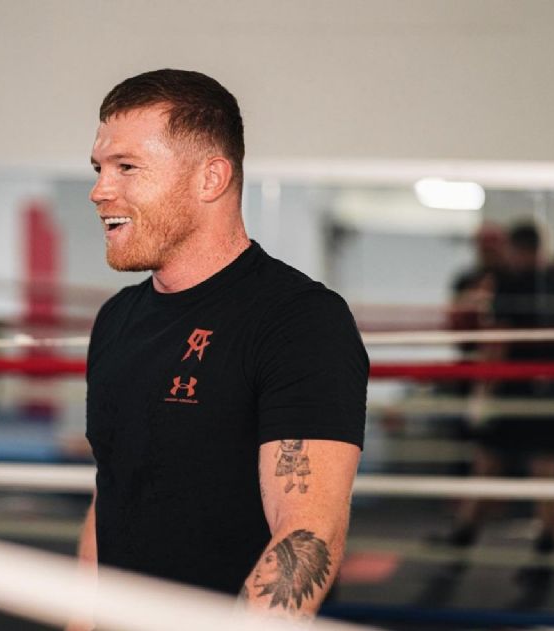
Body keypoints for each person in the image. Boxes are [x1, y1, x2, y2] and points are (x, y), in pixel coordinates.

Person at [73, 69, 368, 626]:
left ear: (210, 178)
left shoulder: (300, 320)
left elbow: (307, 531)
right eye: (99, 169)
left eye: (126, 167)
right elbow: (111, 494)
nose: (99, 191)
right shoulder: (116, 319)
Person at [446, 221, 554, 553]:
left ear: (515, 249)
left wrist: (484, 394)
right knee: (543, 471)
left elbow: (497, 341)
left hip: (514, 391)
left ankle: (463, 538)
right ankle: (544, 544)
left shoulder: (509, 283)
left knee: (491, 464)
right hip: (551, 392)